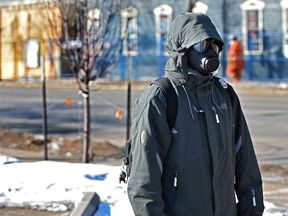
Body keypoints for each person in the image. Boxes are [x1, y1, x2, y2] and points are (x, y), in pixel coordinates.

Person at [127, 12, 264, 216]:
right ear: (183, 50)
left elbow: (247, 165)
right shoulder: (161, 98)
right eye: (201, 45)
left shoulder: (224, 94)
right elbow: (143, 183)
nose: (210, 51)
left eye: (214, 45)